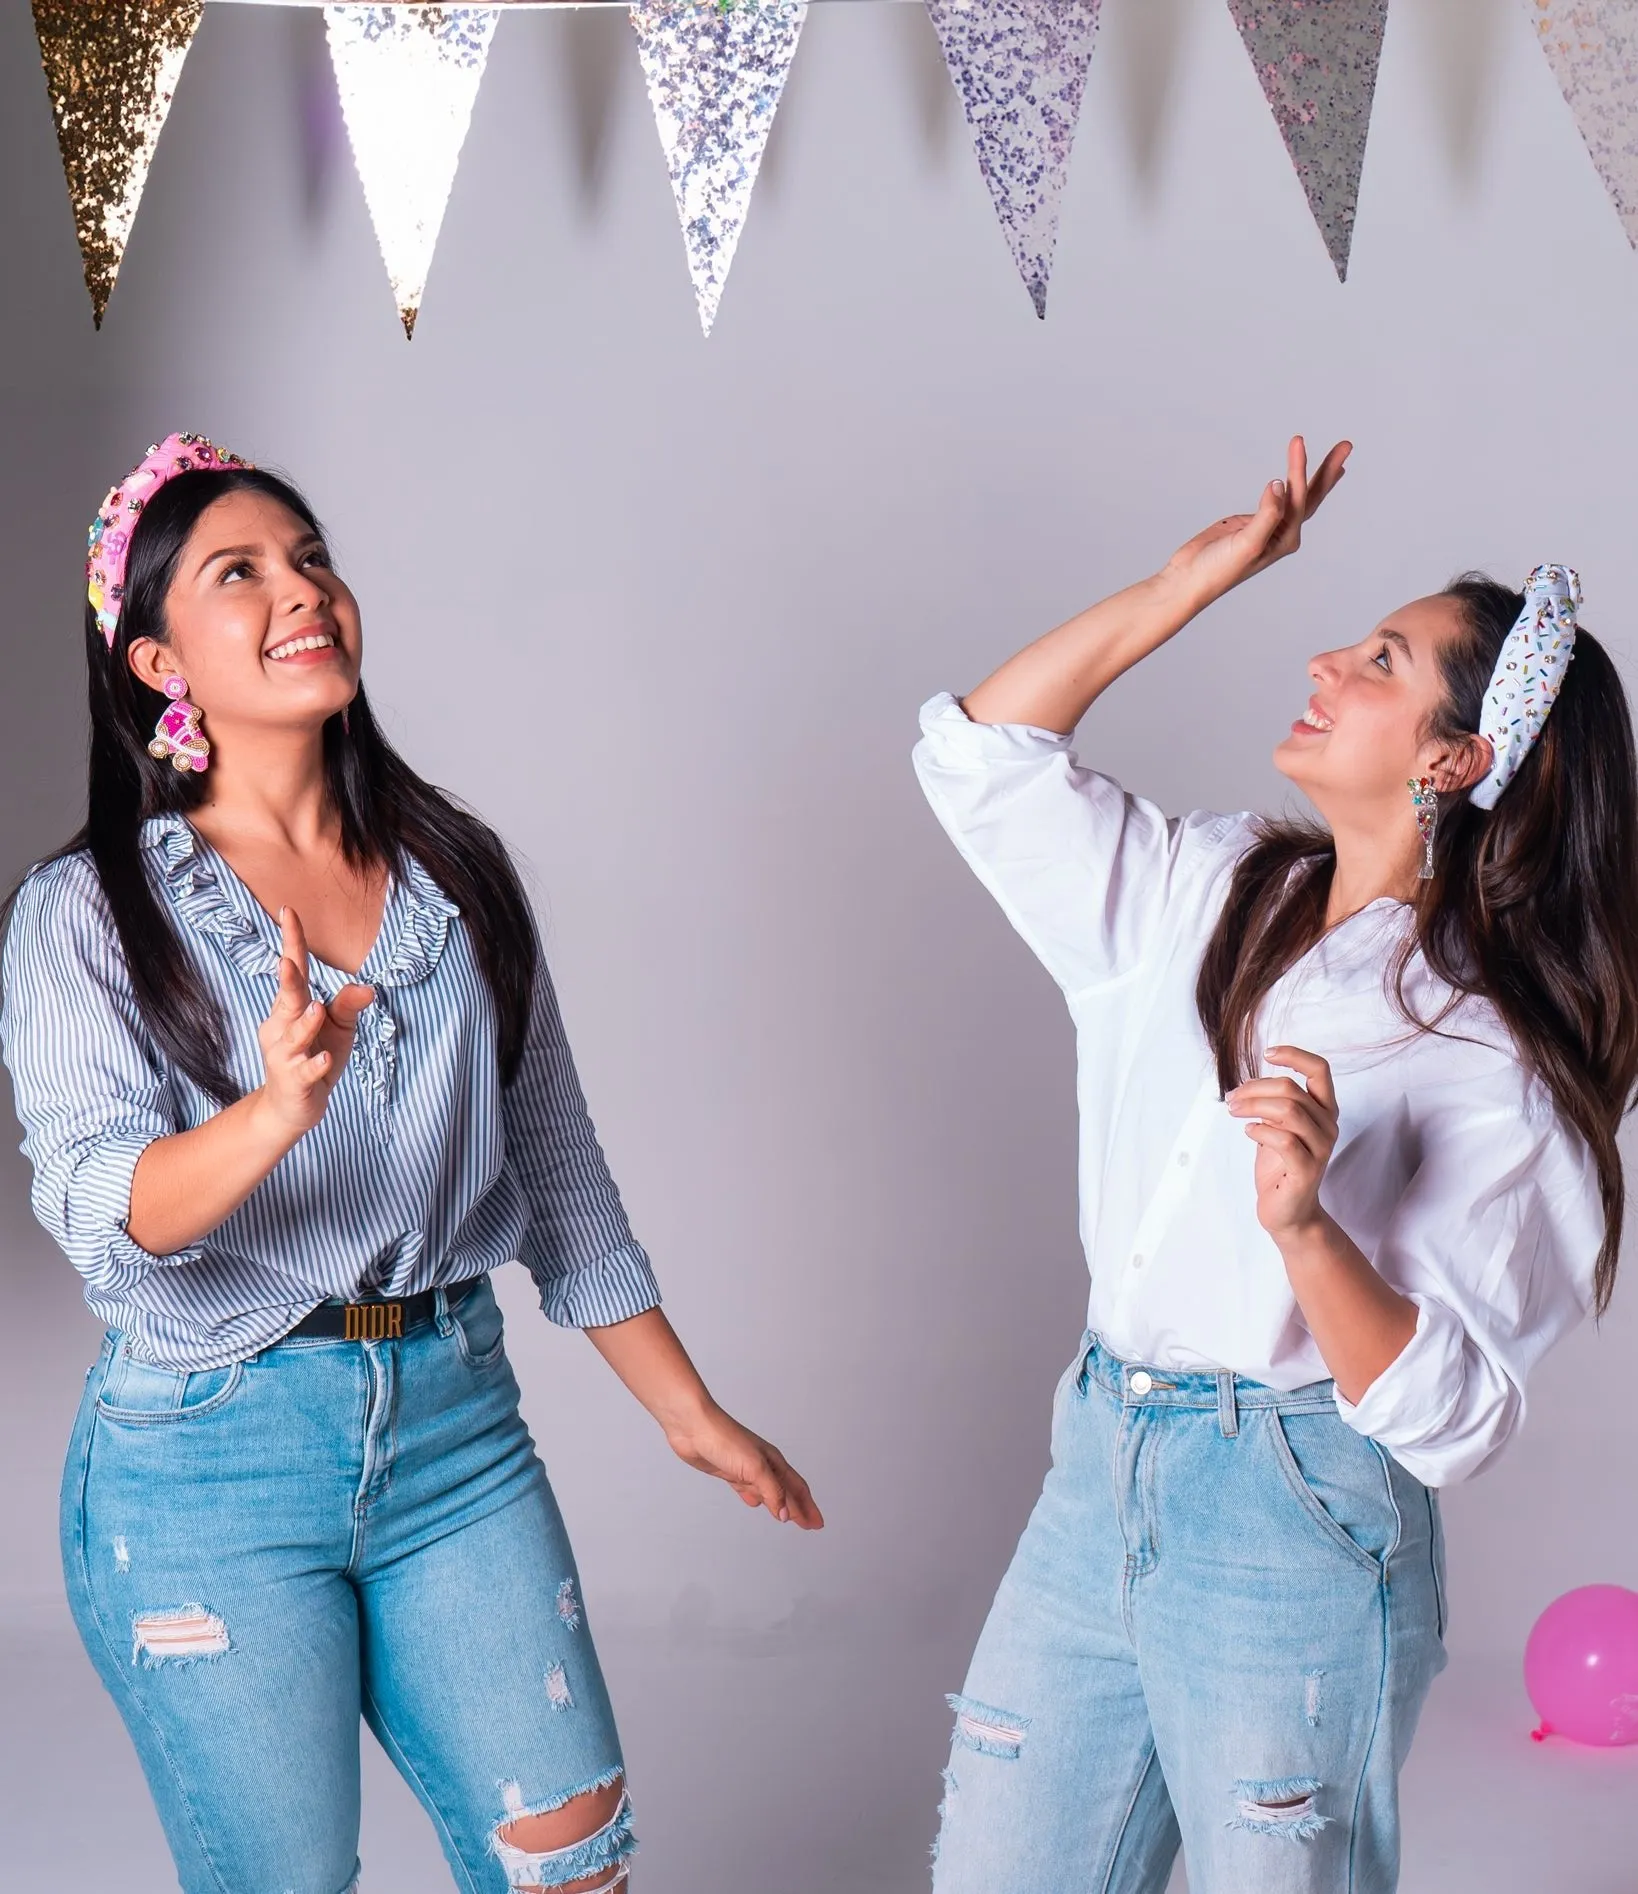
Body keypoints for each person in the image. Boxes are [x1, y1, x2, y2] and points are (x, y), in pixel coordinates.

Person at [0, 432, 823, 1894]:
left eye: (310, 556)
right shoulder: (87, 911)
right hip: (209, 1454)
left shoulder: (458, 872)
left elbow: (560, 1178)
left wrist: (688, 1413)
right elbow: (104, 1216)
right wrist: (270, 1115)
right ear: (151, 660)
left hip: (456, 1428)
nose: (300, 589)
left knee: (572, 1859)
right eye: (237, 571)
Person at [913, 437, 1638, 1893]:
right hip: (1098, 1458)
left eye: (1379, 658)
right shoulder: (1205, 883)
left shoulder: (1496, 1052)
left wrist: (1307, 1225)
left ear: (1454, 759)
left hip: (1294, 1513)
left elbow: (1446, 1419)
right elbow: (977, 758)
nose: (1324, 658)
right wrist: (1186, 583)